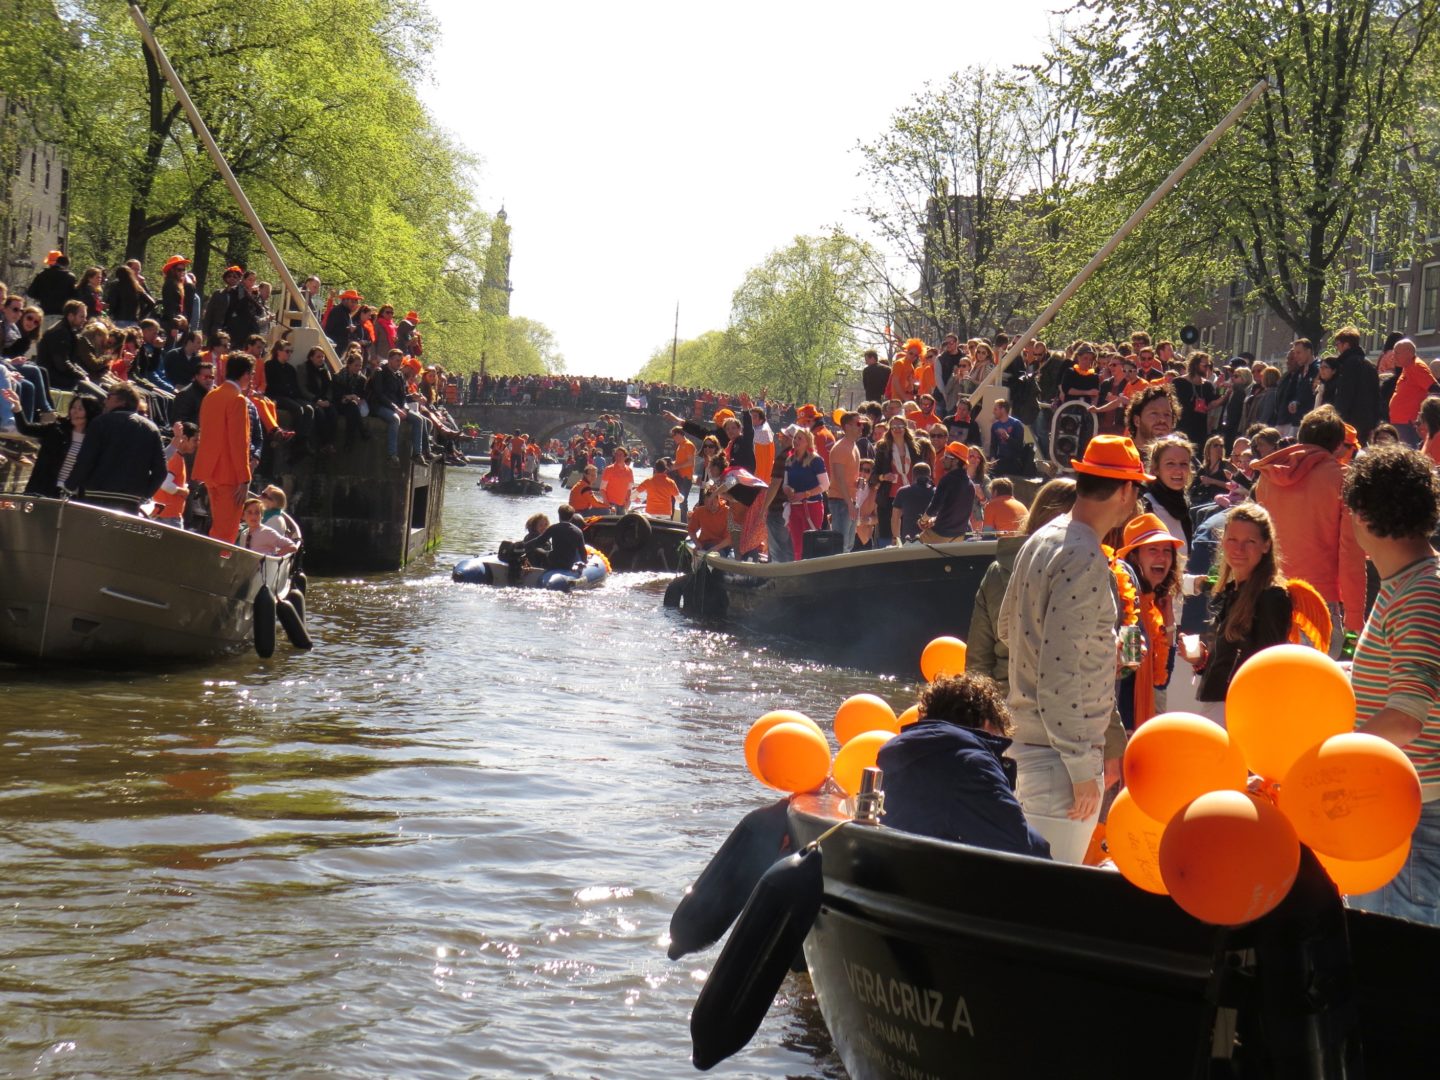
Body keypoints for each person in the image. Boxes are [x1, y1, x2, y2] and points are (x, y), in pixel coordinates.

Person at [997, 434, 1148, 863]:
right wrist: (1083, 768)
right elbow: (1060, 673)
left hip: (1029, 748)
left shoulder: (1043, 537)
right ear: (1125, 490)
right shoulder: (1083, 555)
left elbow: (1008, 629)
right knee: (1045, 904)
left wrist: (1095, 648)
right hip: (1060, 762)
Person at [1339, 447, 1440, 924]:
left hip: (1414, 826)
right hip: (1406, 820)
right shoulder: (1413, 584)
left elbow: (1406, 716)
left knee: (1396, 981)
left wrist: (1324, 762)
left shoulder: (1421, 593)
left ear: (1362, 515)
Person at [876, 674, 1051, 858]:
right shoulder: (972, 762)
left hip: (890, 872)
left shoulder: (899, 757)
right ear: (987, 722)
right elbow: (1020, 846)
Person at [1253, 404, 1367, 654]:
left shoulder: (1267, 477)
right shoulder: (1342, 479)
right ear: (1338, 445)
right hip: (1318, 600)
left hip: (1270, 593)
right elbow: (1351, 552)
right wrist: (1355, 619)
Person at [967, 479, 1076, 697]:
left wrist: (983, 716)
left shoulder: (998, 572)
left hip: (1009, 701)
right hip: (1069, 703)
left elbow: (978, 659)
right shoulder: (1092, 567)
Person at [1190, 504, 1293, 727]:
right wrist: (1201, 663)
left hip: (1242, 711)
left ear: (1266, 546)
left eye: (1250, 542)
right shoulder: (1232, 591)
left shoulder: (1272, 596)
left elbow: (1268, 666)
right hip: (1222, 705)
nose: (1239, 549)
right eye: (1232, 540)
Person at [1115, 513, 1185, 730]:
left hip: (1142, 724)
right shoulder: (1126, 601)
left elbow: (1160, 681)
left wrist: (1169, 624)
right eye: (1153, 550)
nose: (1162, 558)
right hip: (1123, 726)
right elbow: (1128, 666)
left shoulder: (1154, 607)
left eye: (1167, 551)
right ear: (1134, 557)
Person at [64, 382, 168, 513]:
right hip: (130, 503)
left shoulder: (100, 422)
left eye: (109, 396)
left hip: (95, 497)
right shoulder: (151, 429)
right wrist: (144, 494)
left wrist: (69, 486)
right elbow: (161, 471)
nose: (105, 401)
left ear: (122, 401)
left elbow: (86, 460)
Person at [193, 352, 256, 542]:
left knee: (218, 526)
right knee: (226, 531)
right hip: (229, 474)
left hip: (210, 471)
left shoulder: (211, 395)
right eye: (251, 374)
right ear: (245, 375)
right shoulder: (237, 399)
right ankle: (218, 567)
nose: (252, 379)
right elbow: (239, 443)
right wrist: (244, 479)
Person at [2, 391, 100, 497]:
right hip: (43, 489)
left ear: (89, 413)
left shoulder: (93, 440)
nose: (74, 412)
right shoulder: (56, 429)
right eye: (73, 407)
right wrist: (17, 407)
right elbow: (25, 428)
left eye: (80, 409)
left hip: (70, 494)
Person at [367, 349, 428, 464]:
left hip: (397, 407)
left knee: (418, 419)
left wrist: (405, 407)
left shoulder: (399, 375)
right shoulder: (380, 372)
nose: (399, 363)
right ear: (389, 360)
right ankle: (392, 455)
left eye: (400, 361)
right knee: (395, 419)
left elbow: (403, 395)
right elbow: (379, 394)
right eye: (396, 360)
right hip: (380, 405)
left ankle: (417, 453)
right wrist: (395, 408)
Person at [782, 426, 829, 558]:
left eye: (800, 438)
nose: (796, 441)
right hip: (794, 507)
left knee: (810, 543)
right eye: (795, 438)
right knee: (797, 545)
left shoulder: (816, 460)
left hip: (811, 506)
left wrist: (805, 494)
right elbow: (785, 483)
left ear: (808, 442)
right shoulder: (789, 460)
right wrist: (787, 490)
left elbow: (825, 485)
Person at [1331, 324, 1380, 442]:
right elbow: (1376, 395)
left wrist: (1339, 418)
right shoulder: (1369, 365)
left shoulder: (1348, 365)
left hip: (1350, 420)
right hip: (1367, 420)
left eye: (1338, 344)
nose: (1337, 348)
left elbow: (1345, 394)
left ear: (1346, 344)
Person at [827, 411, 862, 552]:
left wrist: (858, 481)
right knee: (840, 544)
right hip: (841, 501)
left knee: (848, 545)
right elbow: (839, 479)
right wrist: (849, 504)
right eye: (858, 424)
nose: (861, 427)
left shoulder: (853, 446)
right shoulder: (841, 447)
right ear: (847, 426)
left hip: (849, 501)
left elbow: (847, 477)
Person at [152, 422, 197, 525]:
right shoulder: (175, 458)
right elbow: (165, 484)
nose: (197, 444)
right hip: (169, 517)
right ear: (185, 438)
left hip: (163, 514)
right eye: (195, 440)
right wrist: (184, 491)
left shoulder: (177, 457)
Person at [890, 461, 935, 543]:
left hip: (909, 540)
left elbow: (895, 518)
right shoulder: (936, 492)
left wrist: (895, 538)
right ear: (930, 475)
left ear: (912, 475)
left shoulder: (903, 491)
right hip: (931, 540)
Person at [989, 398, 1031, 477]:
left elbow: (1019, 446)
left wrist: (1007, 438)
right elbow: (993, 445)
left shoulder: (1016, 424)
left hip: (1014, 461)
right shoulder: (995, 426)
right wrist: (992, 457)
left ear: (1003, 410)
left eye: (995, 409)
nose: (993, 412)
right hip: (1001, 459)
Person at [687, 484, 732, 553]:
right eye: (707, 502)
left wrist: (716, 548)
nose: (710, 505)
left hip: (723, 545)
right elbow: (691, 529)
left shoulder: (728, 512)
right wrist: (697, 543)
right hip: (705, 543)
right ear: (704, 502)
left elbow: (731, 538)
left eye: (712, 502)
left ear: (718, 500)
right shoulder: (700, 511)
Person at [601, 446, 635, 514]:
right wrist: (607, 504)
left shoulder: (629, 471)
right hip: (611, 504)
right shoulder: (608, 469)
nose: (618, 457)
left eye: (620, 455)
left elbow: (629, 489)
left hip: (623, 504)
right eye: (616, 454)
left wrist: (628, 502)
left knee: (622, 524)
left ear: (625, 457)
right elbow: (602, 488)